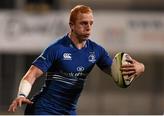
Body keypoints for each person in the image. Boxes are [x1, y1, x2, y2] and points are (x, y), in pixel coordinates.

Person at [8, 5, 145, 115]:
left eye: (91, 23)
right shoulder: (57, 49)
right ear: (71, 25)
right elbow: (32, 74)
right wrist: (21, 94)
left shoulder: (97, 51)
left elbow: (116, 73)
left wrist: (140, 67)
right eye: (84, 23)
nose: (88, 27)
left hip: (69, 111)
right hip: (44, 110)